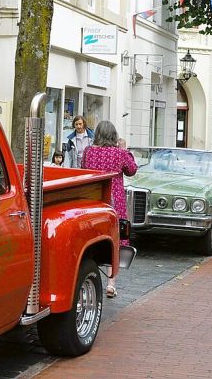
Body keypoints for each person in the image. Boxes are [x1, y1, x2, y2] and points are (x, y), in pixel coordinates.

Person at [80, 120, 137, 298]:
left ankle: (90, 278)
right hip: (115, 202)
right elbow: (132, 170)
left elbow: (83, 168)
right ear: (113, 135)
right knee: (115, 240)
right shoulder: (119, 154)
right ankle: (111, 284)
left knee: (93, 238)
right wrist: (126, 149)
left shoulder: (89, 152)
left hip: (93, 200)